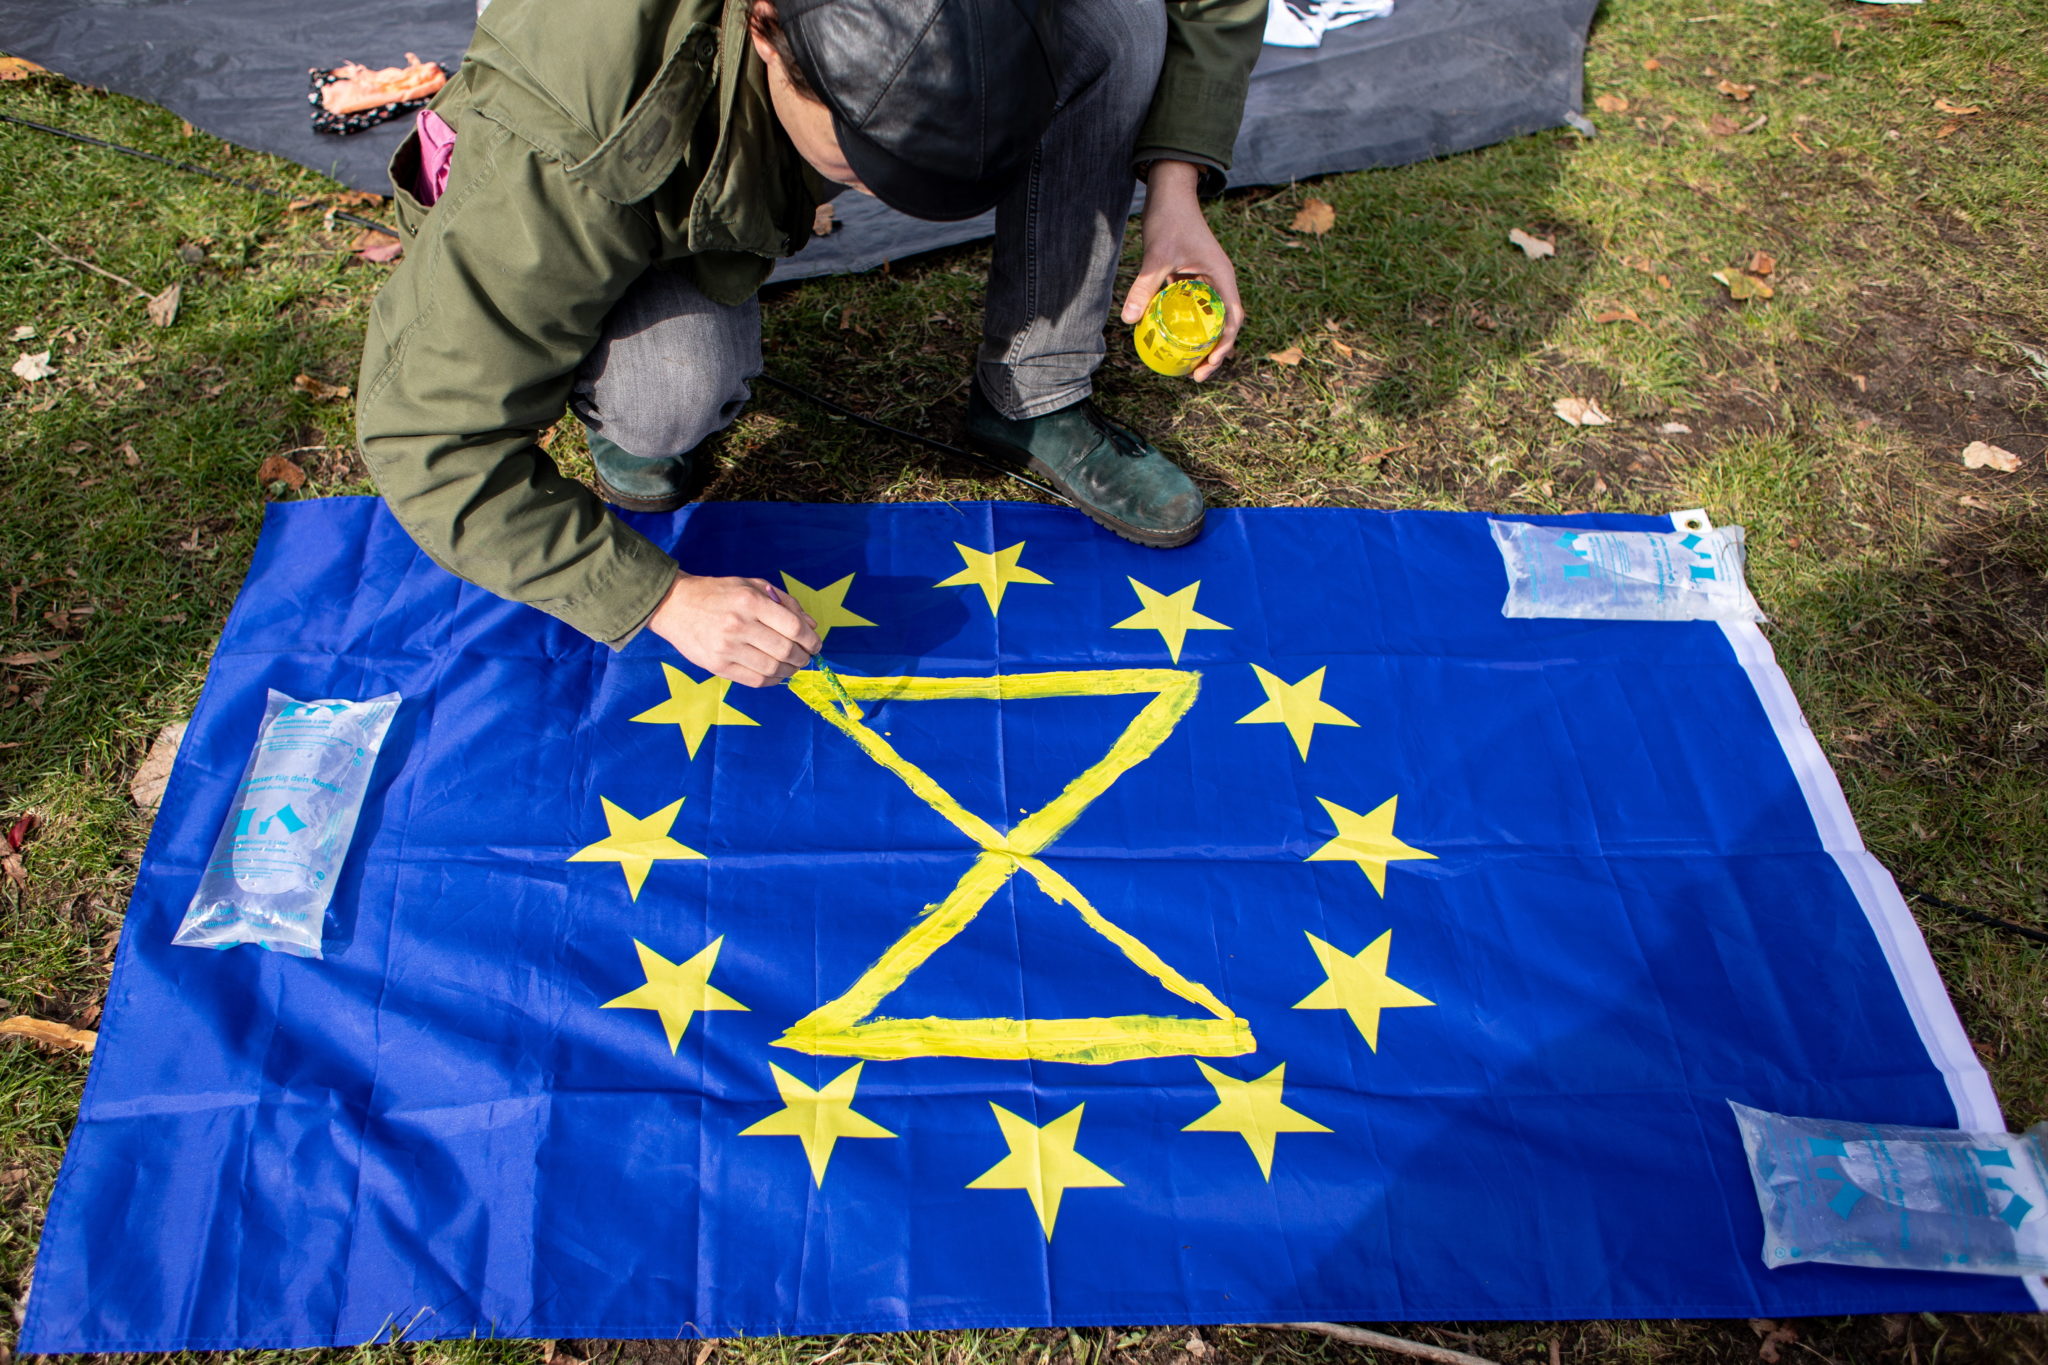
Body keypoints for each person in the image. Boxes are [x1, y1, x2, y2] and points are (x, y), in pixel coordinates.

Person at [355, 0, 1265, 688]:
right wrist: (659, 598)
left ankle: (1037, 391)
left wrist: (1174, 187)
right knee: (673, 388)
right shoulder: (570, 140)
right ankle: (631, 409)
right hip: (623, 150)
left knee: (1113, 25)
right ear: (766, 28)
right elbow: (427, 437)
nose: (879, 196)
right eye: (859, 159)